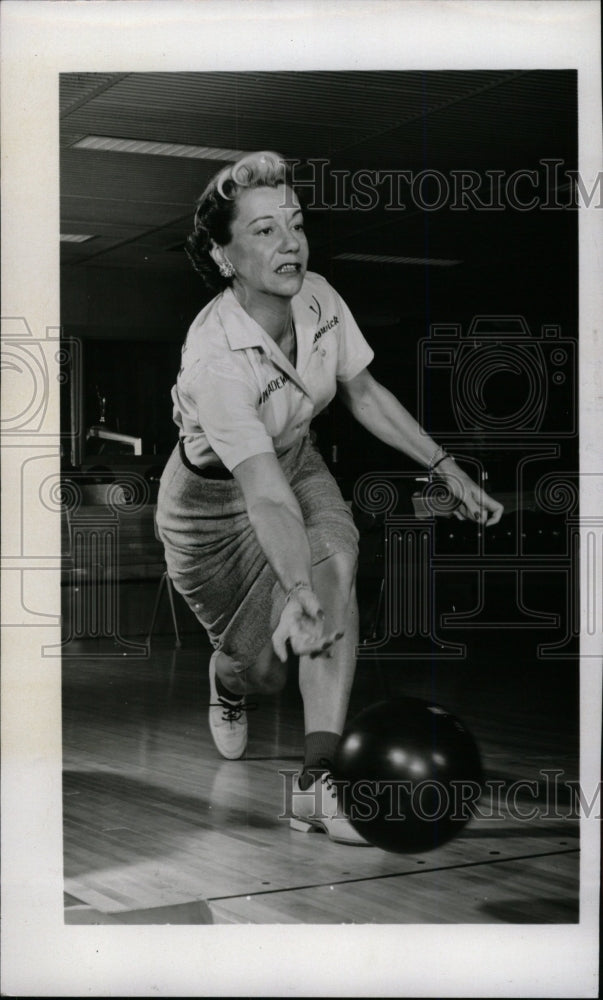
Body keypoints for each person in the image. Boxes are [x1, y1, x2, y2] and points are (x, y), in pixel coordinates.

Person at [156, 150, 503, 846]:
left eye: (295, 222)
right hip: (210, 508)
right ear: (225, 256)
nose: (289, 242)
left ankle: (317, 784)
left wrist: (445, 466)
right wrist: (293, 586)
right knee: (260, 667)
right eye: (263, 231)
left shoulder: (318, 296)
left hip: (295, 460)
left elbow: (364, 392)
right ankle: (225, 683)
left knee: (335, 570)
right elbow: (263, 496)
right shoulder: (215, 360)